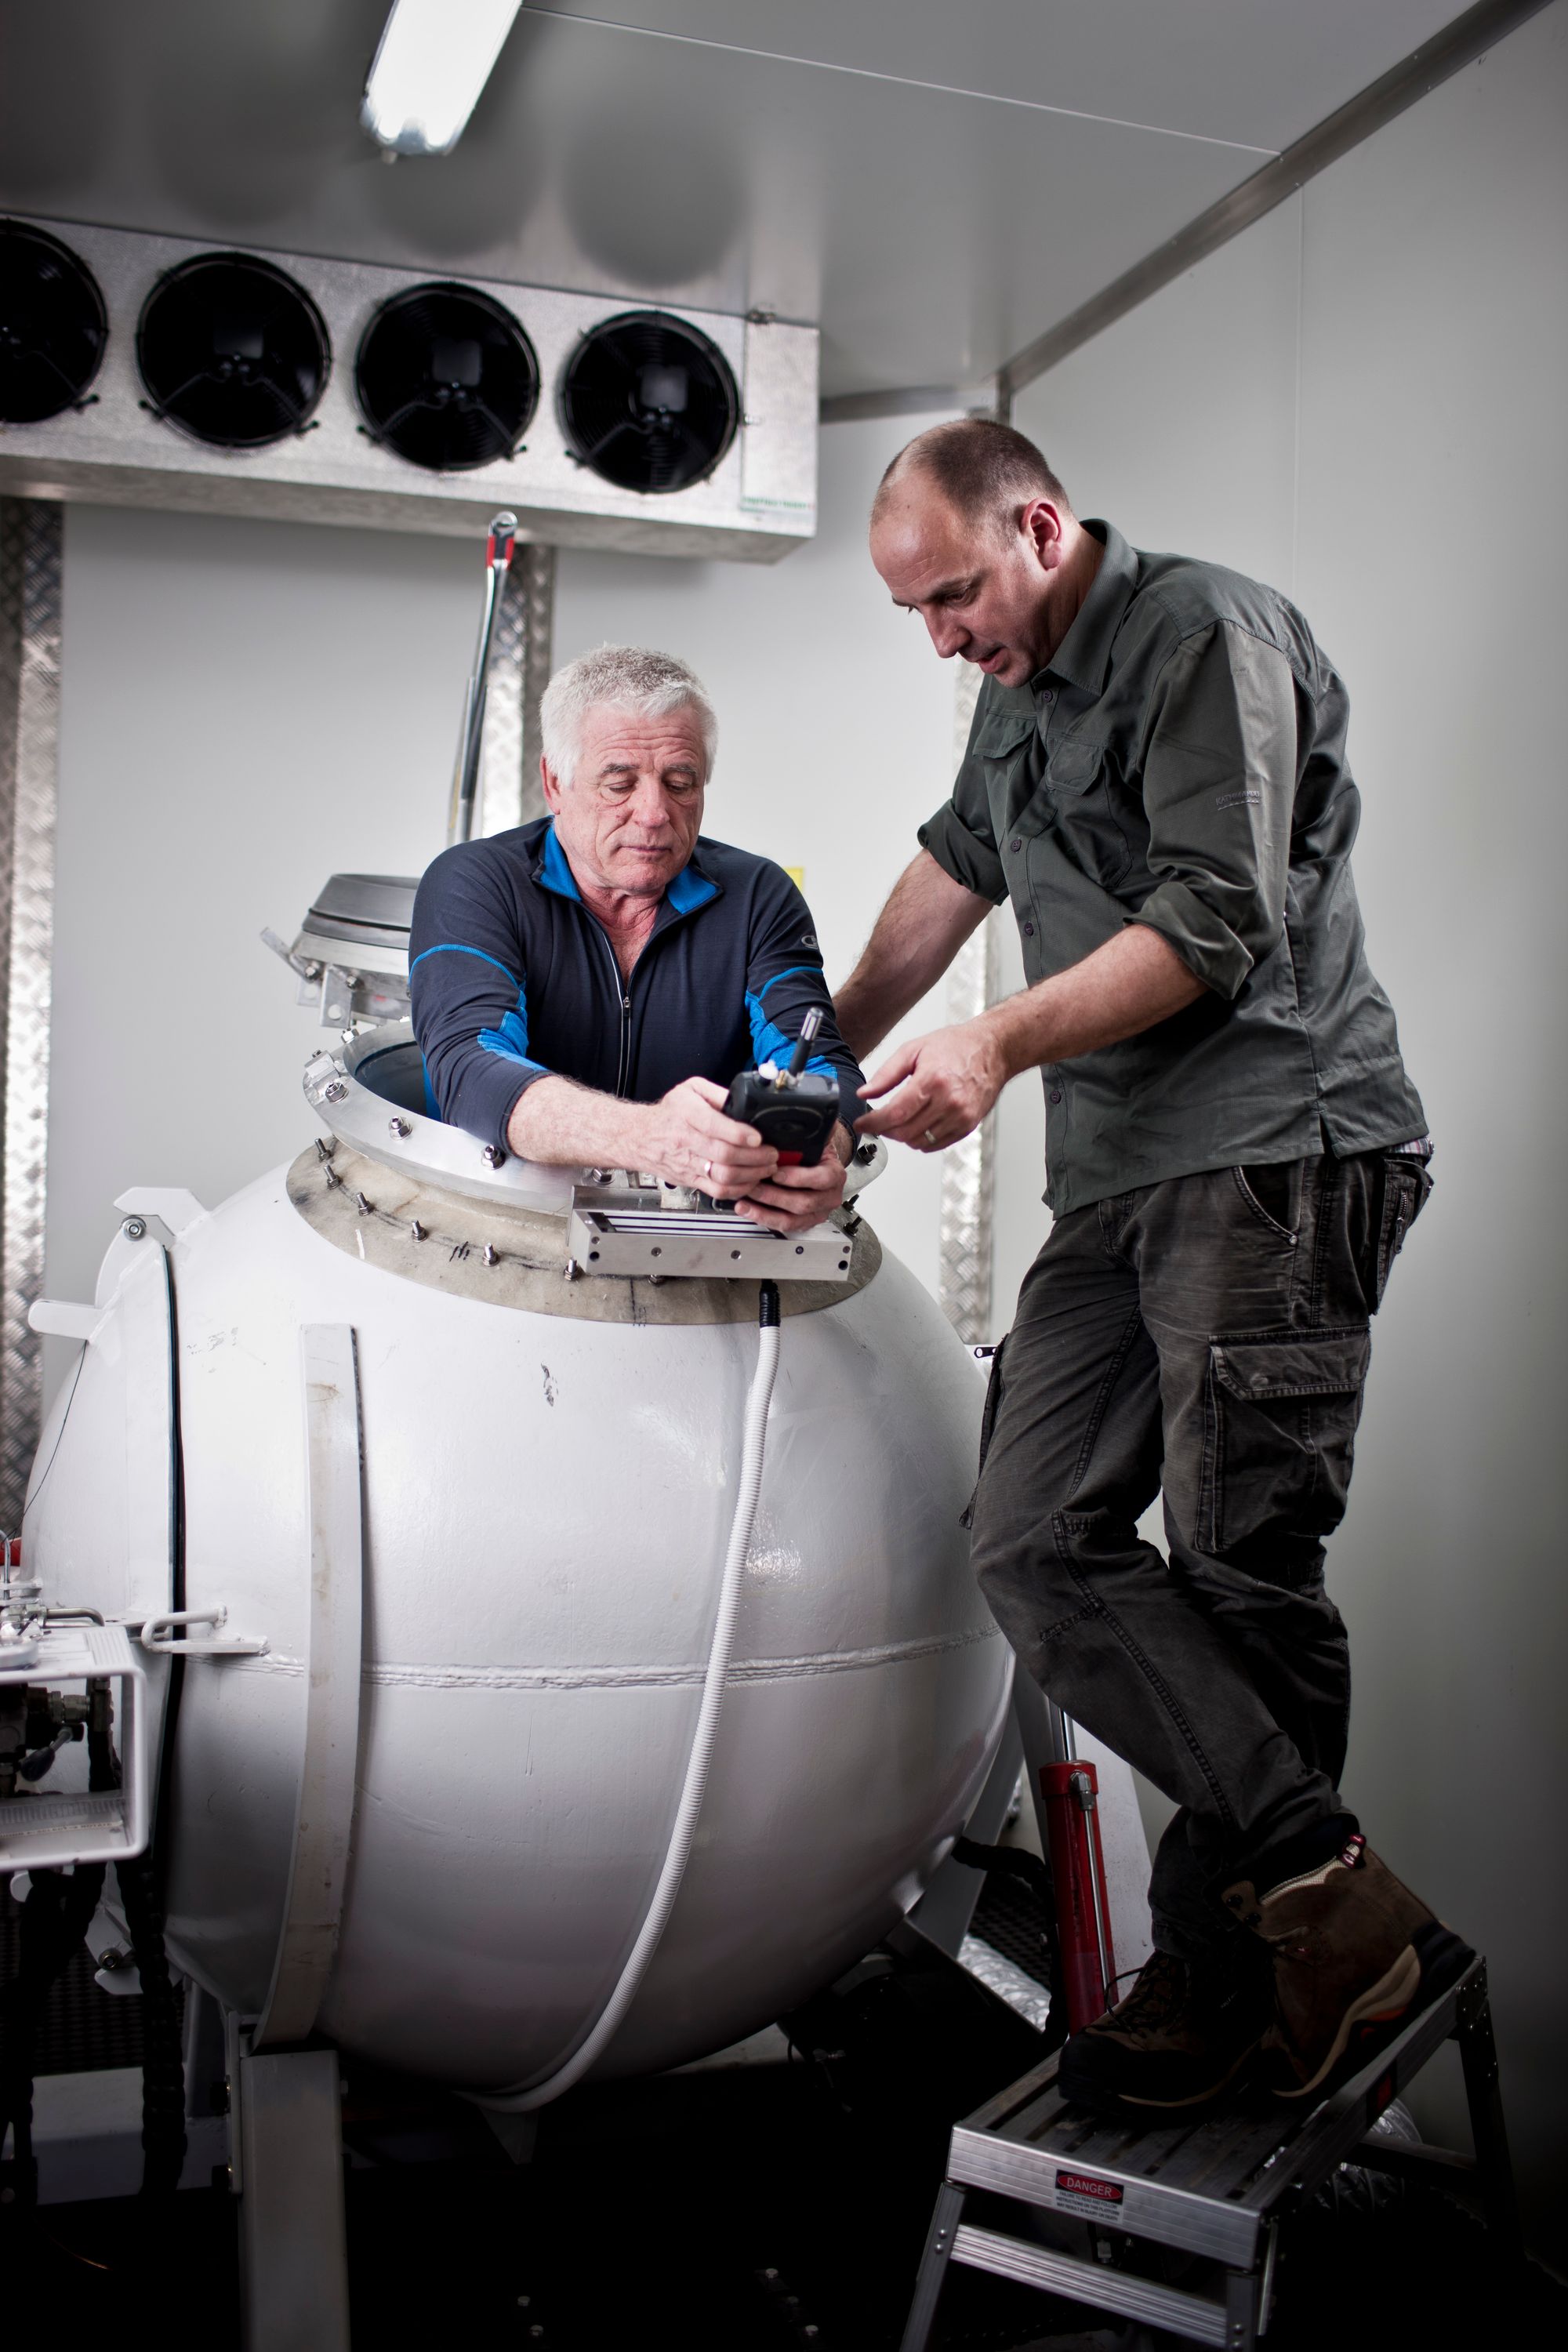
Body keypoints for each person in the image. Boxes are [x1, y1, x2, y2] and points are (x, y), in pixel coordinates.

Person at [835, 417, 1470, 2114]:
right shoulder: (1013, 679)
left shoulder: (1204, 634)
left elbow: (1213, 920)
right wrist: (819, 1061)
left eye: (953, 595)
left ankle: (1223, 1981)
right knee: (1032, 1537)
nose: (943, 637)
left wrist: (990, 1052)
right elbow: (955, 869)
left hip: (1278, 1143)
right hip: (1120, 1179)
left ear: (1039, 525)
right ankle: (1335, 1902)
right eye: (916, 615)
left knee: (1243, 1568)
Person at [412, 644, 858, 1235]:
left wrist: (824, 1151)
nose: (653, 812)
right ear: (555, 783)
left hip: (706, 1244)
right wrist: (651, 1139)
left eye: (680, 782)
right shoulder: (476, 883)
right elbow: (471, 1069)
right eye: (619, 784)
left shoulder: (756, 897)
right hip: (499, 1230)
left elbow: (827, 1068)